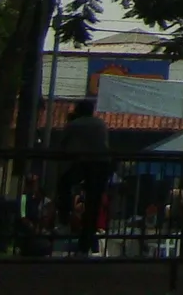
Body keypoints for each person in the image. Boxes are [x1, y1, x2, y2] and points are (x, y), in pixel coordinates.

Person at [62, 98, 113, 254]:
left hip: (85, 163)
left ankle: (64, 213)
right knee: (94, 202)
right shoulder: (100, 124)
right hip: (103, 164)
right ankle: (87, 238)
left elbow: (64, 145)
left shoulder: (75, 125)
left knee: (64, 183)